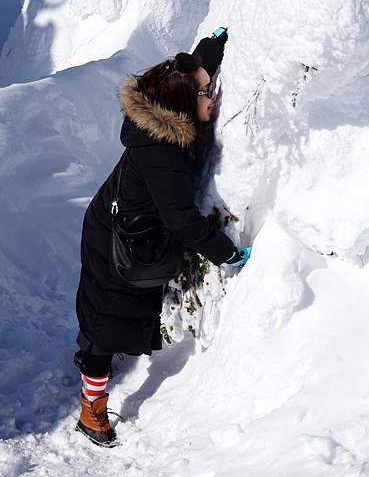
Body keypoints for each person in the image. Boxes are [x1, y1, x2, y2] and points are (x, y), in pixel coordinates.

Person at [74, 28, 252, 447]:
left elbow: (194, 67)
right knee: (106, 325)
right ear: (182, 104)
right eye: (206, 95)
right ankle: (90, 409)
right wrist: (229, 255)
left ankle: (90, 357)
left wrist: (215, 43)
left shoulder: (170, 106)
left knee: (106, 314)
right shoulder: (161, 153)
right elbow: (182, 221)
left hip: (118, 223)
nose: (213, 98)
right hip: (120, 241)